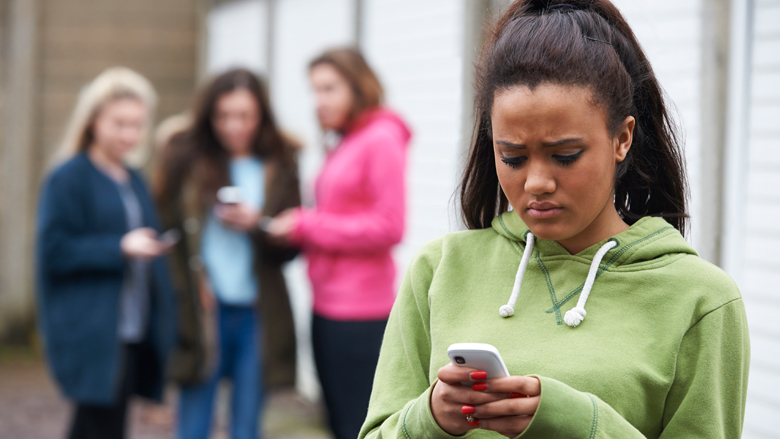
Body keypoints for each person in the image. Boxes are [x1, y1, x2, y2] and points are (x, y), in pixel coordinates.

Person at [358, 1, 750, 438]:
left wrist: (576, 421)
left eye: (565, 155)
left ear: (622, 138)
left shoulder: (700, 300)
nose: (537, 182)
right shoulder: (438, 271)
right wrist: (429, 418)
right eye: (513, 157)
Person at [267, 48, 411, 439]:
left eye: (329, 88)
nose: (320, 101)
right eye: (314, 91)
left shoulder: (381, 138)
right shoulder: (346, 139)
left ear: (358, 85)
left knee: (357, 425)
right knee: (334, 421)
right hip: (326, 302)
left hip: (360, 313)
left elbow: (389, 226)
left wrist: (306, 225)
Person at [153, 68, 300, 439]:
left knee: (247, 427)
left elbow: (292, 247)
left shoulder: (281, 164)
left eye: (244, 116)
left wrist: (259, 222)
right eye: (223, 115)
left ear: (260, 115)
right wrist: (188, 287)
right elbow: (163, 231)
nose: (233, 126)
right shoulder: (185, 158)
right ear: (209, 116)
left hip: (257, 311)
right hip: (203, 311)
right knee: (193, 425)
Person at [36, 67, 177, 439]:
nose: (129, 135)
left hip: (132, 327)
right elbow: (54, 250)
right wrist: (119, 247)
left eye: (137, 125)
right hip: (94, 331)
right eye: (119, 123)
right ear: (93, 119)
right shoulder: (68, 177)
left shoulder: (133, 177)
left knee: (103, 425)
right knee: (99, 423)